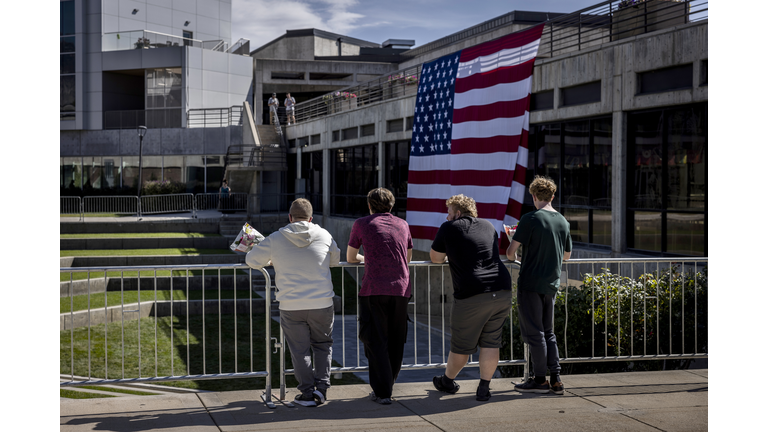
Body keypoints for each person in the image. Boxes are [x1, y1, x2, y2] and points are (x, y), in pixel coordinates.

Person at [245, 198, 341, 407]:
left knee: (299, 350)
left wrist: (272, 260)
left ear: (290, 217)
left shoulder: (275, 238)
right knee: (323, 346)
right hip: (322, 302)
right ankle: (322, 389)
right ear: (311, 218)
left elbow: (251, 260)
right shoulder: (324, 234)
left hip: (291, 304)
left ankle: (307, 393)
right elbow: (334, 260)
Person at [429, 194, 512, 402]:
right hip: (501, 288)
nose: (447, 217)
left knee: (462, 344)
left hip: (472, 292)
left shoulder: (448, 228)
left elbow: (435, 258)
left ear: (457, 213)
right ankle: (484, 388)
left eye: (449, 213)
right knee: (491, 342)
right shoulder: (489, 225)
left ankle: (447, 381)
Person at [506, 175, 572, 396]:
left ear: (534, 196)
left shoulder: (530, 218)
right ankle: (556, 379)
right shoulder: (563, 221)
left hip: (530, 282)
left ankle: (540, 380)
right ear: (552, 196)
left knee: (535, 333)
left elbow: (510, 253)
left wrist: (514, 245)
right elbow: (567, 255)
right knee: (548, 332)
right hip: (551, 283)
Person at [347, 188, 413, 405]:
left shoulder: (361, 223)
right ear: (392, 205)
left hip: (374, 289)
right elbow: (407, 257)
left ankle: (383, 392)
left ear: (369, 205)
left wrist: (369, 258)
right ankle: (387, 385)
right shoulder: (403, 224)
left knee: (375, 340)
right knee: (396, 340)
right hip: (401, 288)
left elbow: (351, 257)